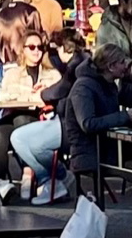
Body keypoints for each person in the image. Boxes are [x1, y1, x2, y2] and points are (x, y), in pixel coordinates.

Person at [9, 29, 88, 204]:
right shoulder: (80, 62)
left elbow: (62, 88)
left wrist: (43, 94)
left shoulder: (76, 66)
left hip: (70, 125)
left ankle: (53, 180)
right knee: (18, 137)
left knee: (30, 143)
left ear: (63, 49)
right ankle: (53, 179)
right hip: (63, 121)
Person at [0, 29, 61, 188]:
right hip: (14, 114)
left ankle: (28, 171)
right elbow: (5, 94)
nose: (36, 51)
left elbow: (56, 95)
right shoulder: (12, 73)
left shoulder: (53, 74)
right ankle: (1, 182)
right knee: (1, 132)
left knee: (21, 121)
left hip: (41, 118)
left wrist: (40, 93)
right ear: (23, 50)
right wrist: (31, 95)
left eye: (40, 47)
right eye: (31, 47)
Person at [65, 44, 132, 177]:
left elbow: (107, 119)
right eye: (122, 62)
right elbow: (88, 124)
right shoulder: (83, 87)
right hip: (91, 155)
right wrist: (124, 117)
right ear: (110, 66)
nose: (126, 66)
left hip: (108, 148)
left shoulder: (109, 85)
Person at [0, 0, 43, 65]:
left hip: (3, 64)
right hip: (23, 64)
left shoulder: (0, 14)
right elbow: (35, 39)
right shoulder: (30, 11)